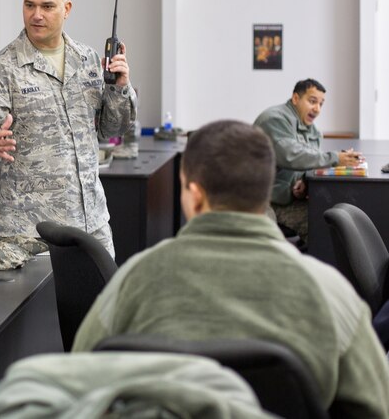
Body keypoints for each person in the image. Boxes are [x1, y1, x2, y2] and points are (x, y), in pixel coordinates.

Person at [71, 120, 389, 416]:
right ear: (265, 195)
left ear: (194, 197)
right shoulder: (331, 294)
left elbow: (77, 388)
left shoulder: (132, 281)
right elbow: (376, 407)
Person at [0, 0, 136, 257]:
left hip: (90, 224)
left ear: (66, 9)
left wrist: (120, 88)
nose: (36, 15)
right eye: (29, 5)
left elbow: (112, 130)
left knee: (99, 301)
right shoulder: (3, 69)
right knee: (43, 304)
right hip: (30, 232)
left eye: (47, 6)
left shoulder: (89, 60)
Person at [253, 79, 362, 244]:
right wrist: (335, 158)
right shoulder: (274, 119)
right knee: (321, 228)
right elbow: (291, 155)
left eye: (321, 104)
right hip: (263, 200)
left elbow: (308, 163)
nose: (317, 109)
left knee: (332, 221)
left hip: (288, 198)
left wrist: (303, 182)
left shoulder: (314, 132)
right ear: (296, 99)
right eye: (312, 101)